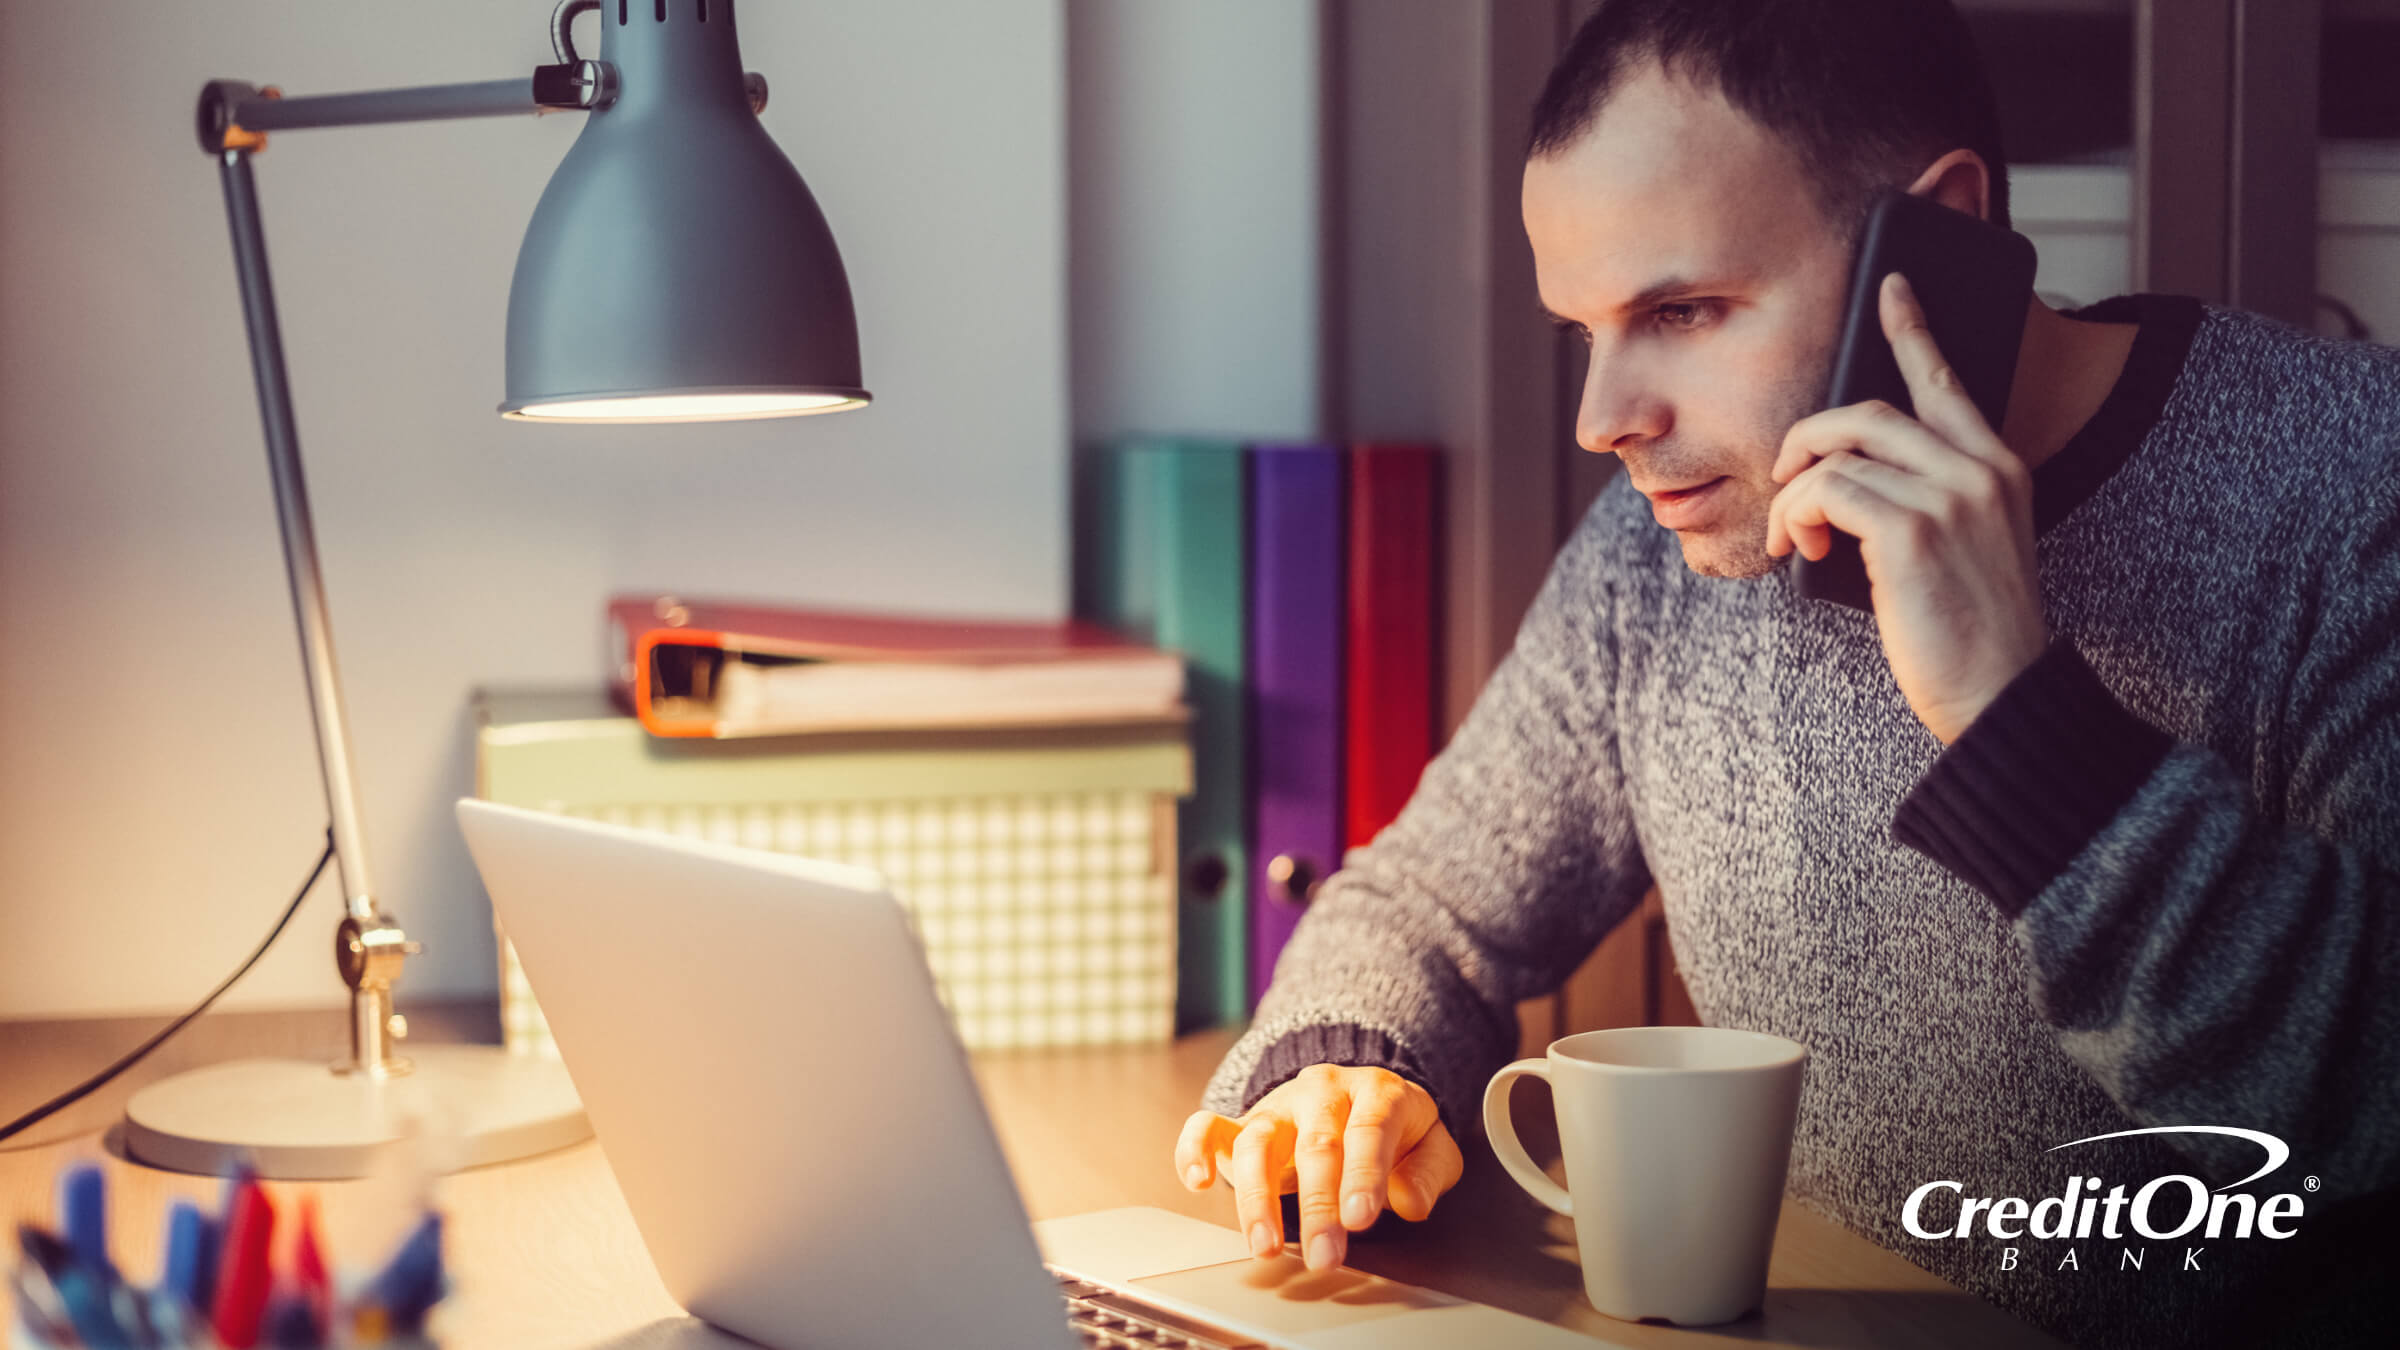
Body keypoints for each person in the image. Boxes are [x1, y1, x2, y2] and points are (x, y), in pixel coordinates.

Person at [1167, 2, 2400, 1347]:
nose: (1601, 422)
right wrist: (1342, 1065)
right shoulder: (1665, 548)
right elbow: (1430, 898)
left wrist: (2013, 713)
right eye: (1586, 330)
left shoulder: (2352, 489)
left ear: (1941, 239)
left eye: (1683, 310)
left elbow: (2371, 1103)